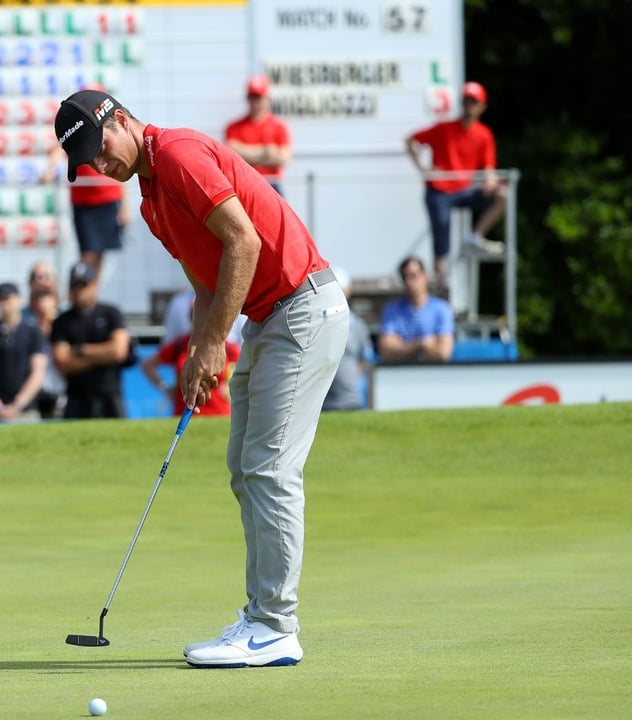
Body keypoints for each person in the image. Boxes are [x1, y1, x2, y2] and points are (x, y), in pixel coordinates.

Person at [54, 87, 348, 667]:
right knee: (245, 467)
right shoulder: (150, 200)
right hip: (270, 318)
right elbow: (207, 281)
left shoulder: (181, 156)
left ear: (119, 118)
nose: (99, 164)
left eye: (99, 147)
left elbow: (245, 240)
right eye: (87, 160)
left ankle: (276, 626)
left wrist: (215, 342)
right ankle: (262, 614)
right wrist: (196, 349)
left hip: (302, 308)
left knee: (269, 467)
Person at [405, 80, 508, 280]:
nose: (469, 107)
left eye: (473, 102)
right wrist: (423, 169)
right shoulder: (444, 129)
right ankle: (441, 284)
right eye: (466, 101)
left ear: (482, 107)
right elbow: (411, 140)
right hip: (440, 190)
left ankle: (475, 237)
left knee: (502, 194)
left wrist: (490, 180)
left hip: (463, 190)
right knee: (441, 234)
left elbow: (488, 167)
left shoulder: (483, 135)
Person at [47, 84, 131, 283]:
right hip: (85, 201)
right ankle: (81, 295)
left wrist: (125, 207)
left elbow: (121, 171)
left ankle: (89, 296)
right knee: (88, 254)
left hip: (107, 199)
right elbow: (59, 150)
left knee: (99, 254)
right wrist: (50, 170)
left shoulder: (109, 131)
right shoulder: (78, 130)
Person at [50, 262, 130, 419]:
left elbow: (118, 351)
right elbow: (62, 361)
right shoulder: (62, 321)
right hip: (77, 398)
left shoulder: (110, 313)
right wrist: (102, 356)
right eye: (75, 286)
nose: (79, 291)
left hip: (109, 396)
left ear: (94, 286)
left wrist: (80, 351)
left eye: (83, 285)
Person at [0, 282, 48, 423]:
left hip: (26, 411)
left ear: (18, 299)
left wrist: (17, 406)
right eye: (0, 300)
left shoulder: (33, 332)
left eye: (7, 298)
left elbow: (37, 373)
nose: (4, 304)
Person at [141, 333, 240, 418]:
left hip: (218, 411)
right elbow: (148, 365)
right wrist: (165, 387)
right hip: (184, 411)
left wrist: (232, 389)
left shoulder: (225, 346)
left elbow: (248, 369)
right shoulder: (181, 344)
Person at [377, 256, 454, 364]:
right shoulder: (392, 310)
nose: (409, 282)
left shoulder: (442, 309)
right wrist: (421, 345)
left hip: (434, 377)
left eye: (413, 276)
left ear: (425, 276)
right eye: (405, 277)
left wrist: (401, 347)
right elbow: (385, 351)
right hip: (401, 376)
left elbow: (443, 353)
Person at [224, 75, 292, 194]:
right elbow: (230, 154)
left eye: (258, 97)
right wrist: (266, 152)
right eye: (252, 97)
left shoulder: (279, 126)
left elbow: (283, 157)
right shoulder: (234, 127)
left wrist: (246, 155)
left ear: (268, 98)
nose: (255, 101)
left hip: (271, 183)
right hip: (243, 183)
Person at [322, 267, 375, 411]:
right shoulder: (318, 323)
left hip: (352, 401)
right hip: (323, 403)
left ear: (348, 291)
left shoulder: (358, 325)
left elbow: (366, 359)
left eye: (341, 289)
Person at [29, 288, 67, 418]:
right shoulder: (29, 329)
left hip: (61, 390)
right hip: (36, 392)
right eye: (38, 297)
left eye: (46, 296)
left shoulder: (64, 326)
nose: (42, 301)